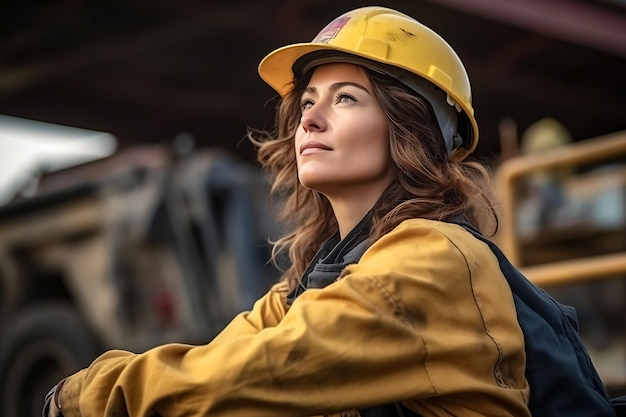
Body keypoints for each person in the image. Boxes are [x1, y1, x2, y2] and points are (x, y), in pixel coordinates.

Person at [42, 6, 617, 417]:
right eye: (308, 103)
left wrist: (90, 396)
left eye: (346, 98)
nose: (309, 121)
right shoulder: (320, 278)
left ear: (409, 129)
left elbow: (269, 370)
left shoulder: (434, 259)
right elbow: (227, 355)